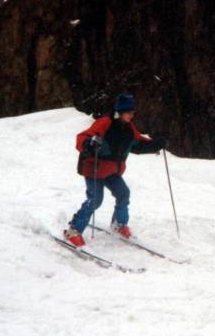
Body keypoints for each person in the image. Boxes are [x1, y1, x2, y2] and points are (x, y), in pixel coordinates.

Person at [64, 92, 166, 247]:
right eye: (128, 112)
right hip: (95, 169)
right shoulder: (104, 123)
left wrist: (156, 144)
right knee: (96, 200)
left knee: (123, 193)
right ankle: (73, 230)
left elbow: (138, 144)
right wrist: (89, 144)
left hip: (112, 171)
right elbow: (82, 138)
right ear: (119, 111)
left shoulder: (129, 128)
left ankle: (118, 224)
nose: (131, 115)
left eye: (133, 112)